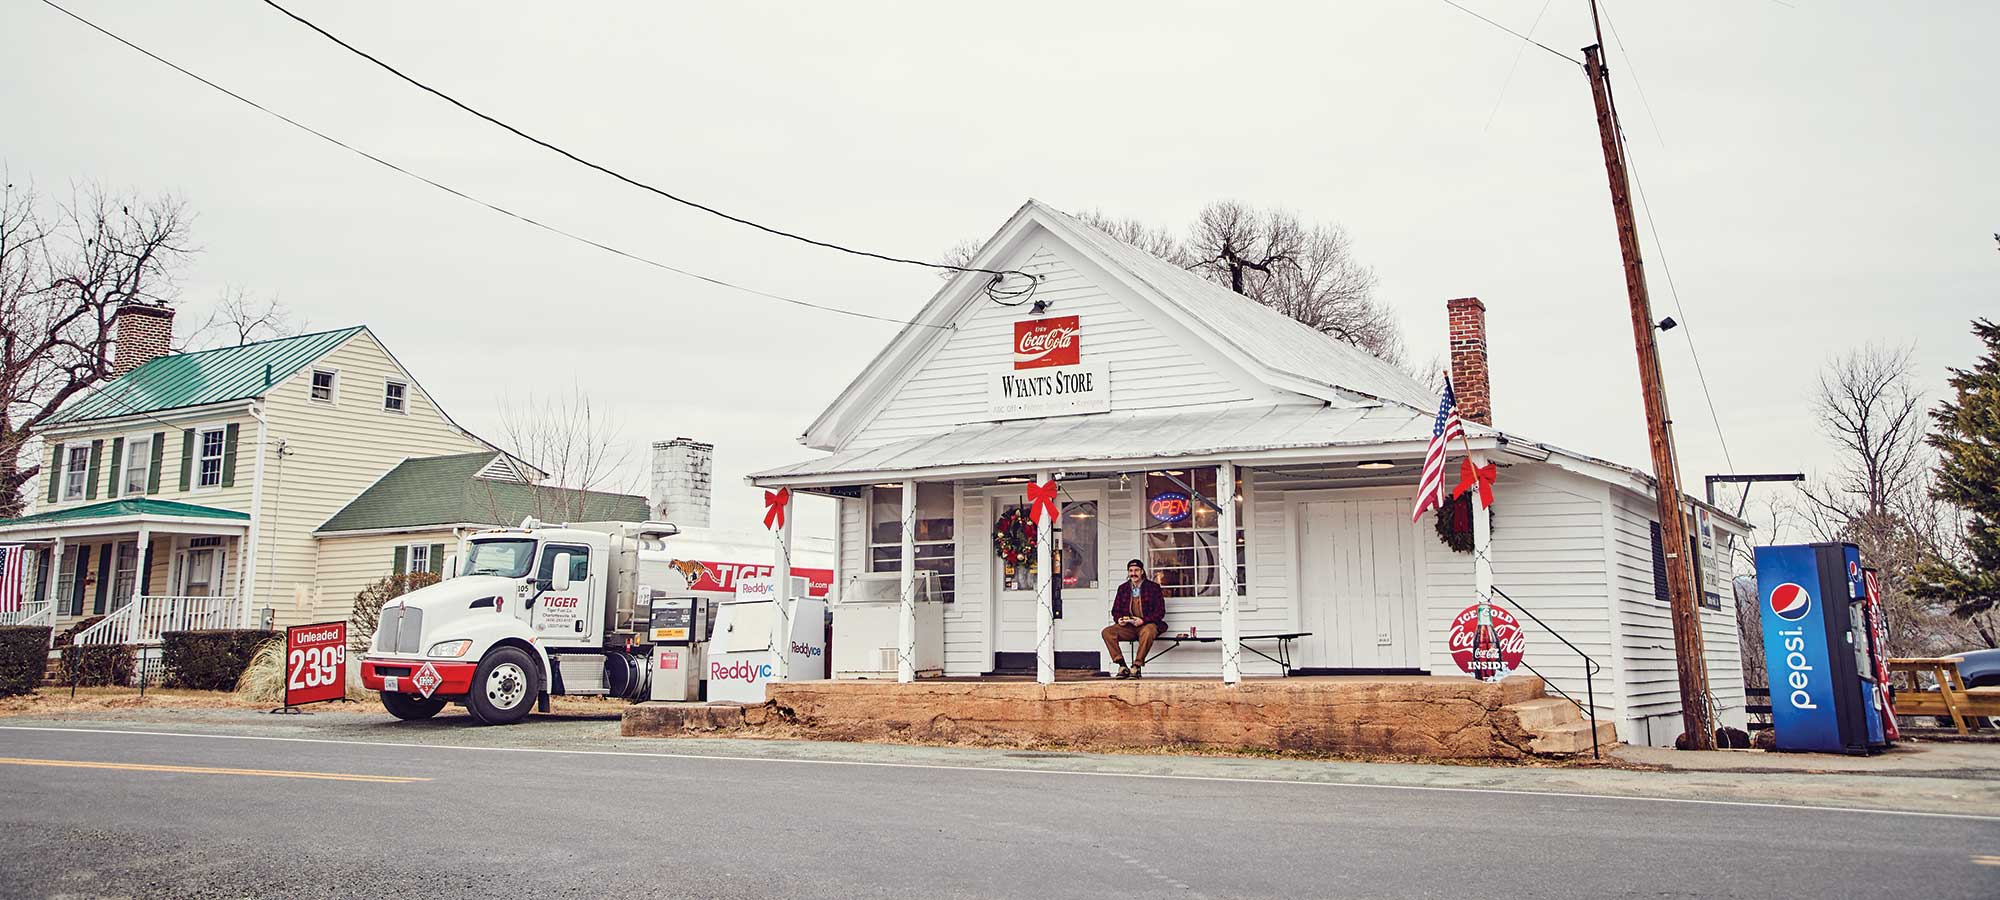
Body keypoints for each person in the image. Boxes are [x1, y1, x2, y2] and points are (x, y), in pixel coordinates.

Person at [1101, 558, 1166, 679]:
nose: (1133, 573)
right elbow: (1116, 610)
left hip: (1147, 624)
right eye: (1130, 570)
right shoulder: (1123, 588)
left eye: (1136, 570)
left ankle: (1136, 666)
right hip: (1129, 627)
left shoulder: (1153, 588)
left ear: (1142, 572)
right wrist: (1119, 619)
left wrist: (1143, 620)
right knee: (1107, 632)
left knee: (1149, 631)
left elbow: (1160, 612)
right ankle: (1122, 666)